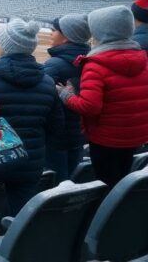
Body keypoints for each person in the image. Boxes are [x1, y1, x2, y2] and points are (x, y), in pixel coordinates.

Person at [0, 18, 64, 241]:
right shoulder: (47, 82)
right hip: (30, 159)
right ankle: (18, 240)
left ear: (3, 47)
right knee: (22, 201)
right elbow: (56, 127)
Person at [58, 5, 148, 187]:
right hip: (133, 137)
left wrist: (66, 95)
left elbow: (89, 107)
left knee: (107, 186)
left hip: (106, 140)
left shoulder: (96, 64)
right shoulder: (141, 58)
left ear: (101, 32)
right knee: (122, 182)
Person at [43, 14, 92, 182]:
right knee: (72, 179)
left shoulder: (54, 65)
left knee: (56, 183)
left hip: (57, 137)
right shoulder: (90, 60)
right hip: (79, 133)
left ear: (66, 37)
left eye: (54, 30)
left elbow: (45, 100)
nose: (51, 33)